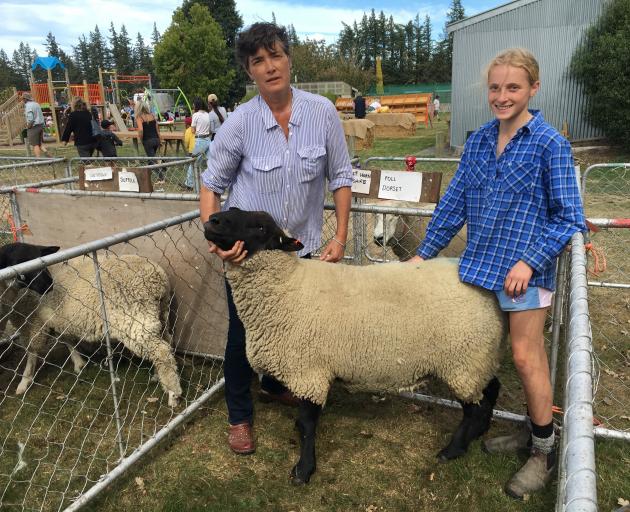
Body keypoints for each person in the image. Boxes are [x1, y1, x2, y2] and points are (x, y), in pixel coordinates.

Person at [408, 48, 586, 499]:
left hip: (524, 274)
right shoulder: (481, 141)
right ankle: (528, 431)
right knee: (488, 352)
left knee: (527, 358)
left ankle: (543, 451)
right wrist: (423, 253)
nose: (502, 96)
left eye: (512, 87)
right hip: (481, 269)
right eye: (495, 87)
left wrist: (529, 261)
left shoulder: (550, 144)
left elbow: (568, 217)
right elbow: (455, 204)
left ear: (533, 88)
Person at [199, 22, 352, 456]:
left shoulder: (322, 112)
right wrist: (216, 238)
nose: (270, 67)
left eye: (276, 56)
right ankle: (239, 415)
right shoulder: (239, 124)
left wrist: (339, 237)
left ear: (289, 59)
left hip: (299, 253)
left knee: (298, 328)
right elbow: (212, 184)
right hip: (247, 257)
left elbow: (340, 177)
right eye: (258, 61)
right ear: (250, 71)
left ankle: (276, 383)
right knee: (240, 334)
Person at [184, 98, 212, 190]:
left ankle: (189, 183)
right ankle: (212, 180)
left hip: (200, 140)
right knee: (210, 162)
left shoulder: (195, 115)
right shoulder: (208, 114)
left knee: (194, 162)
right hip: (208, 139)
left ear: (196, 106)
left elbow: (192, 130)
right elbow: (210, 129)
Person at [136, 100, 164, 184]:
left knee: (151, 159)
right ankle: (146, 175)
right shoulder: (152, 115)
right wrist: (160, 140)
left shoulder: (139, 117)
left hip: (148, 140)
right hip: (156, 139)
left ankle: (161, 178)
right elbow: (157, 130)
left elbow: (141, 130)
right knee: (151, 158)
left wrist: (141, 139)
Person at [22, 93, 49, 157]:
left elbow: (31, 119)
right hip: (41, 125)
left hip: (34, 127)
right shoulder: (36, 104)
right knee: (39, 144)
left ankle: (38, 159)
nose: (22, 100)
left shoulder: (28, 106)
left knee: (35, 145)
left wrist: (28, 127)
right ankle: (48, 155)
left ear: (25, 99)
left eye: (23, 99)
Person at [180, 116, 196, 191]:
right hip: (198, 148)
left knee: (190, 167)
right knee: (194, 167)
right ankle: (190, 182)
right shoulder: (197, 128)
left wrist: (187, 147)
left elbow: (186, 142)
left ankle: (189, 184)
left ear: (186, 124)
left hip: (191, 150)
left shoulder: (188, 130)